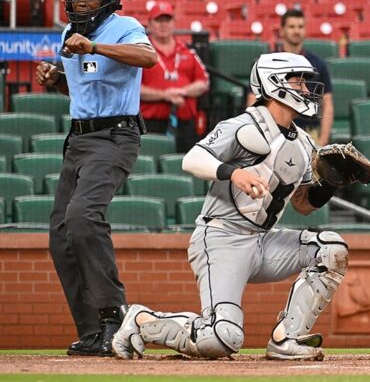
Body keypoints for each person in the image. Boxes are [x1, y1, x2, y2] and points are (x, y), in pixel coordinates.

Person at [112, 52, 350, 361]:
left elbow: (303, 205)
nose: (306, 89)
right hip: (221, 238)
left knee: (331, 249)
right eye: (298, 80)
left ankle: (286, 340)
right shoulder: (243, 125)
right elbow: (192, 159)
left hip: (262, 241)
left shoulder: (304, 143)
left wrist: (331, 183)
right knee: (222, 339)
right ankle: (142, 321)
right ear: (274, 83)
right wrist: (233, 172)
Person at [34, 0, 157, 356]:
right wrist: (57, 80)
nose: (80, 2)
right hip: (79, 139)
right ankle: (92, 331)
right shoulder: (70, 33)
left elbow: (147, 57)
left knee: (84, 218)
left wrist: (96, 47)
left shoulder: (124, 27)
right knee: (61, 236)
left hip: (116, 136)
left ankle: (115, 319)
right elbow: (81, 86)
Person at [247, 9, 333, 146]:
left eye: (300, 27)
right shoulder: (268, 63)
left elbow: (327, 104)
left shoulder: (318, 64)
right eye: (291, 27)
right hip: (275, 130)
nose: (296, 31)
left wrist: (323, 139)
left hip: (309, 132)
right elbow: (254, 99)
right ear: (282, 31)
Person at [140, 1, 209, 153]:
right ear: (149, 25)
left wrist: (181, 92)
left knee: (184, 164)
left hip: (185, 123)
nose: (163, 25)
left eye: (167, 20)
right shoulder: (141, 53)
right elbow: (132, 88)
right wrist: (165, 95)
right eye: (158, 20)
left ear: (173, 23)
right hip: (151, 123)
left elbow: (203, 82)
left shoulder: (187, 52)